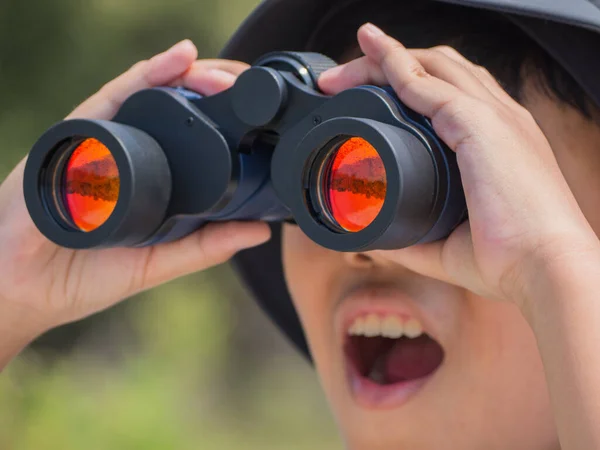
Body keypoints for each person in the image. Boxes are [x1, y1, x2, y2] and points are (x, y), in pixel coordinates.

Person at [2, 0, 600, 448]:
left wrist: (554, 269)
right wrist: (10, 291)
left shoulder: (562, 273)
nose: (367, 250)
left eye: (471, 187)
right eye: (332, 181)